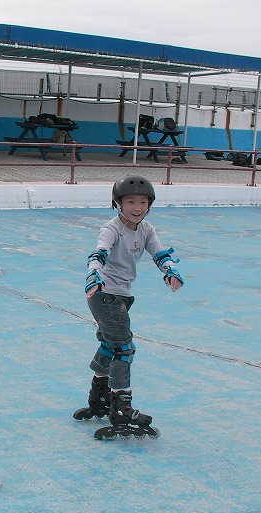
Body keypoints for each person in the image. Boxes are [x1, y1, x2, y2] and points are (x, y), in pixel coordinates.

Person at [79, 173, 184, 427]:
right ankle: (121, 407)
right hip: (104, 294)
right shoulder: (112, 229)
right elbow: (100, 252)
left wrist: (171, 270)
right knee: (124, 349)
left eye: (143, 202)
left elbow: (160, 253)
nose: (137, 208)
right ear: (118, 203)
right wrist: (93, 273)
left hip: (121, 296)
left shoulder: (146, 229)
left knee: (110, 345)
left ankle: (99, 397)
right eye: (130, 202)